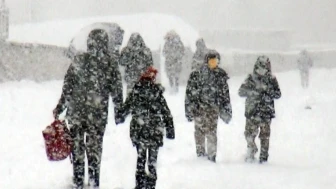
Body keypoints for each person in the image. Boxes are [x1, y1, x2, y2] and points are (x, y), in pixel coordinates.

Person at [53, 29, 124, 189]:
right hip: (97, 114)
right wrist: (118, 111)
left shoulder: (79, 59)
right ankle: (93, 182)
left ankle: (78, 181)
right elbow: (117, 90)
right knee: (94, 150)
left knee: (77, 149)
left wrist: (60, 106)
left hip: (77, 113)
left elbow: (68, 86)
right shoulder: (109, 63)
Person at [119, 66, 175, 189]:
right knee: (152, 161)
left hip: (139, 132)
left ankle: (139, 184)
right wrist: (170, 129)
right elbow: (166, 112)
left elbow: (124, 109)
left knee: (140, 159)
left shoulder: (135, 92)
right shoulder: (157, 93)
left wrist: (120, 116)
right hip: (155, 131)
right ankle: (151, 184)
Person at [185, 50, 232, 162]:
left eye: (215, 61)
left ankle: (211, 155)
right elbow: (189, 94)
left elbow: (225, 95)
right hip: (199, 108)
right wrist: (189, 109)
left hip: (213, 109)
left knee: (211, 132)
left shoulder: (220, 75)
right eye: (211, 61)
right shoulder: (196, 75)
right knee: (199, 131)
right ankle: (200, 154)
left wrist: (226, 109)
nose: (213, 64)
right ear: (206, 62)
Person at [238, 55, 281, 164]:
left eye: (264, 67)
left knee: (265, 137)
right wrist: (252, 92)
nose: (262, 69)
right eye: (260, 66)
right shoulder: (250, 78)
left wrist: (267, 92)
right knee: (249, 135)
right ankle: (252, 150)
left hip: (266, 112)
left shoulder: (272, 79)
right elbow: (241, 91)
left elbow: (277, 94)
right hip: (252, 112)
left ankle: (263, 158)